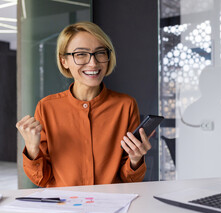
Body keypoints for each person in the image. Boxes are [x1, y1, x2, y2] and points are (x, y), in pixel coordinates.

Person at [16, 22, 152, 187]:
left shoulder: (126, 105)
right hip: (64, 207)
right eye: (81, 54)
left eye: (100, 53)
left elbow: (129, 180)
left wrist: (135, 159)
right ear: (64, 61)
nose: (93, 63)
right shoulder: (46, 108)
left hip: (110, 207)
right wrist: (32, 148)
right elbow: (42, 179)